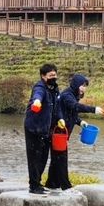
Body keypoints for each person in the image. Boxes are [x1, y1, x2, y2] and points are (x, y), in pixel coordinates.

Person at [47, 74, 104, 192]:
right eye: (82, 86)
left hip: (63, 133)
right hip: (58, 132)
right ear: (76, 84)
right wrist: (93, 109)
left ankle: (52, 184)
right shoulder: (68, 95)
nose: (84, 88)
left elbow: (70, 112)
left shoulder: (73, 94)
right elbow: (74, 106)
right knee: (61, 158)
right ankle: (65, 186)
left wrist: (80, 122)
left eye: (85, 86)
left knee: (56, 158)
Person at [24, 63, 65, 195]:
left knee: (43, 157)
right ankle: (34, 185)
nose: (53, 77)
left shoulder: (55, 88)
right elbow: (38, 95)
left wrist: (60, 118)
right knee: (34, 157)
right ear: (43, 76)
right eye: (50, 75)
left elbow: (57, 107)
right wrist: (36, 101)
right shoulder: (40, 86)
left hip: (46, 128)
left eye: (55, 75)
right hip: (34, 128)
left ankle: (38, 183)